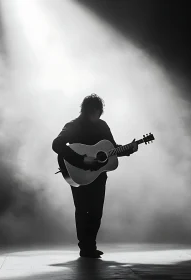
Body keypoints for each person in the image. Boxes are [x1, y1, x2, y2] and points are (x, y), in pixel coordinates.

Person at [52, 93, 138, 258]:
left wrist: (128, 149)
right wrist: (82, 160)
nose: (96, 115)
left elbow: (111, 149)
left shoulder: (102, 125)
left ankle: (90, 246)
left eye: (98, 111)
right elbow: (57, 144)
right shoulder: (73, 125)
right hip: (78, 173)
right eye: (93, 111)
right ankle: (85, 247)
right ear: (85, 110)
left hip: (98, 175)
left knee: (96, 211)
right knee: (82, 210)